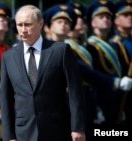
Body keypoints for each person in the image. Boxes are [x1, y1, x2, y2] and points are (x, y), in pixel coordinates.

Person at [43, 3, 132, 140]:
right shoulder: (45, 49)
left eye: (67, 22)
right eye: (59, 21)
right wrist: (115, 82)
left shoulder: (68, 48)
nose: (64, 25)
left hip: (83, 102)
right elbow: (85, 71)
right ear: (49, 26)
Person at [0, 5, 86, 141]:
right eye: (19, 25)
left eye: (27, 25)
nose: (23, 30)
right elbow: (5, 100)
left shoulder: (60, 51)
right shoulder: (8, 57)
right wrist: (9, 136)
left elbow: (76, 92)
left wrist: (78, 127)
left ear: (40, 24)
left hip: (57, 129)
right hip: (24, 132)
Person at [85, 0, 124, 127]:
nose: (106, 19)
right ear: (93, 23)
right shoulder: (89, 47)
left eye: (108, 17)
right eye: (101, 17)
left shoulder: (113, 45)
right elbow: (92, 76)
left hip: (115, 100)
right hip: (99, 101)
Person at [109, 0, 132, 128]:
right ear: (116, 20)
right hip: (122, 97)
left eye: (131, 14)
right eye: (125, 15)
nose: (130, 17)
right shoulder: (114, 43)